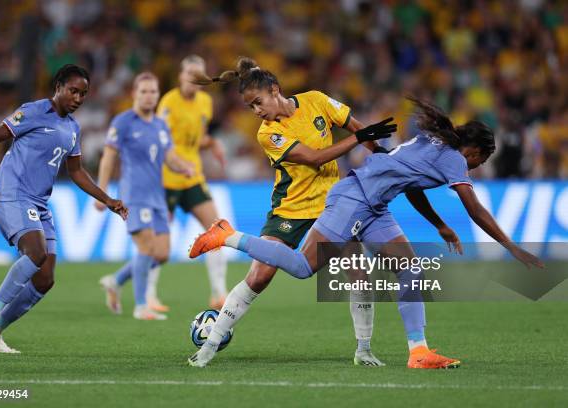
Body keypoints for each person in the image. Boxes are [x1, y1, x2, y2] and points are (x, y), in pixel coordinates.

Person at [190, 97, 544, 369]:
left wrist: (438, 224)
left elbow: (408, 183)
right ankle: (227, 235)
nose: (477, 166)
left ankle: (418, 351)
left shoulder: (432, 141)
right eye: (480, 160)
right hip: (354, 199)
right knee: (301, 268)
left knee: (409, 268)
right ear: (474, 150)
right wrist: (511, 246)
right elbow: (475, 208)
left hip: (376, 205)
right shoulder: (452, 157)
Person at [187, 57, 397, 367]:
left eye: (258, 102)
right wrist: (359, 139)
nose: (257, 111)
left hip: (333, 205)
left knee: (359, 275)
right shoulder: (267, 133)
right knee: (259, 276)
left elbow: (356, 126)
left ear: (275, 90)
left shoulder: (317, 100)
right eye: (251, 108)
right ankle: (210, 346)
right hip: (290, 209)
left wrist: (382, 156)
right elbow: (314, 158)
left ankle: (364, 350)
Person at [0, 64, 128, 353]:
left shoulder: (72, 128)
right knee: (36, 252)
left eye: (83, 94)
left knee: (45, 279)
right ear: (58, 87)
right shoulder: (33, 111)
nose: (78, 98)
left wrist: (107, 199)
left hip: (39, 203)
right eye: (73, 91)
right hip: (13, 194)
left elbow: (77, 171)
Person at [96, 72, 194, 320]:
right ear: (134, 94)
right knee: (146, 246)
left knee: (161, 254)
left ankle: (115, 281)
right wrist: (102, 193)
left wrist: (183, 166)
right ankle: (141, 306)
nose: (149, 96)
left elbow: (169, 156)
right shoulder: (123, 122)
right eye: (144, 92)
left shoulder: (161, 125)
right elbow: (108, 158)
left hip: (157, 196)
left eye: (153, 92)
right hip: (133, 195)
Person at [156, 55, 228, 310]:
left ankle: (219, 294)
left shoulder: (206, 103)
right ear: (181, 76)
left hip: (193, 176)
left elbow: (197, 138)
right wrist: (179, 163)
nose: (193, 80)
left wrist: (213, 143)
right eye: (190, 74)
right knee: (159, 238)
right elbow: (162, 141)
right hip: (167, 176)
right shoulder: (168, 102)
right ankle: (150, 296)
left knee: (217, 231)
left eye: (199, 76)